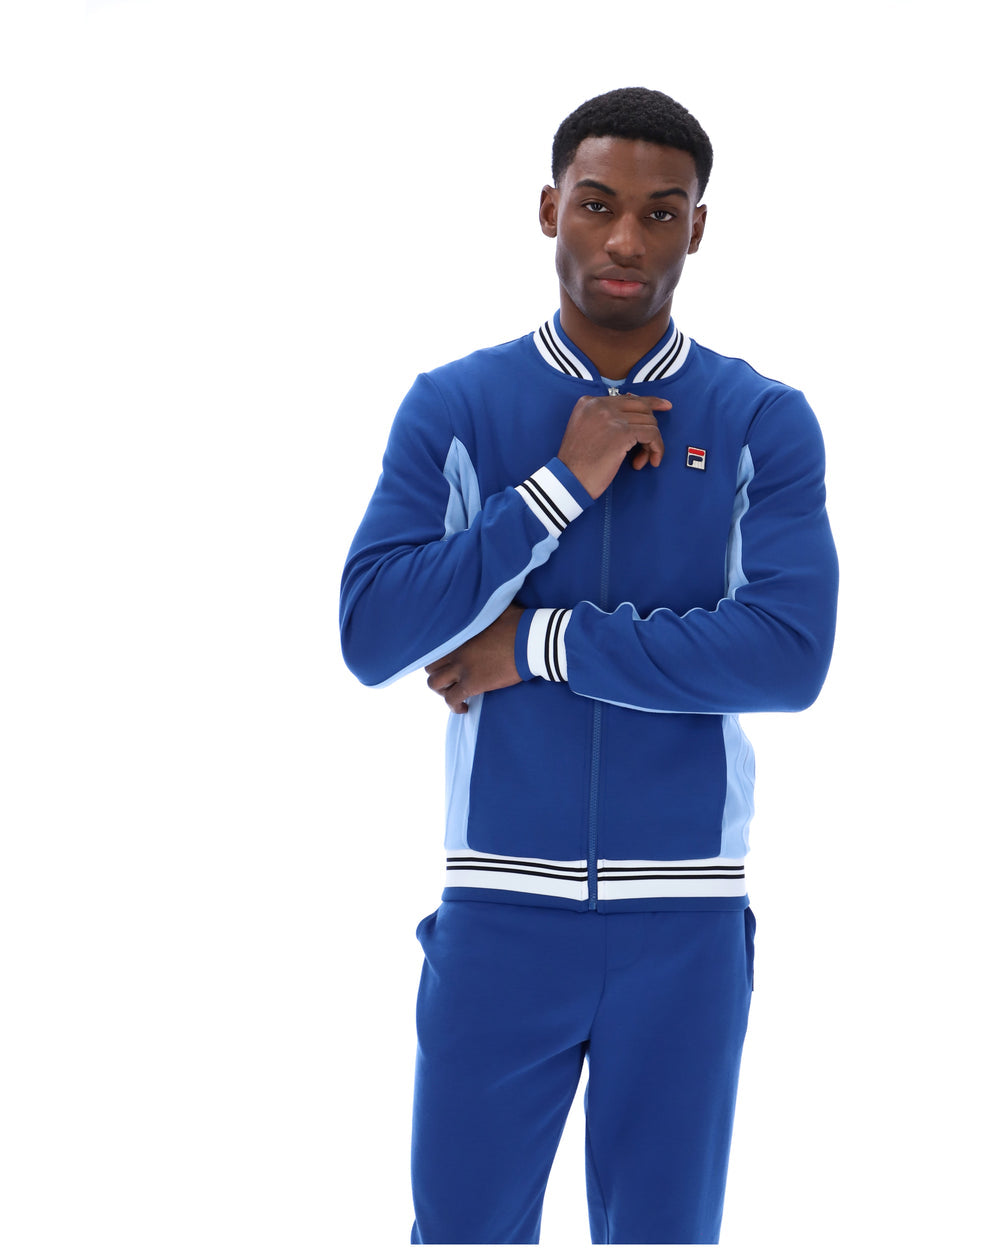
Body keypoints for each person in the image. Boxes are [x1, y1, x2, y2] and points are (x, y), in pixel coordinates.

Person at [340, 86, 838, 1245]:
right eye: (598, 204)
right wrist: (556, 487)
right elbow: (371, 632)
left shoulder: (760, 418)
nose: (625, 238)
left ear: (696, 229)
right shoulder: (457, 404)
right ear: (548, 207)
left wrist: (536, 641)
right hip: (498, 912)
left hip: (685, 923)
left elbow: (788, 653)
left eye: (660, 213)